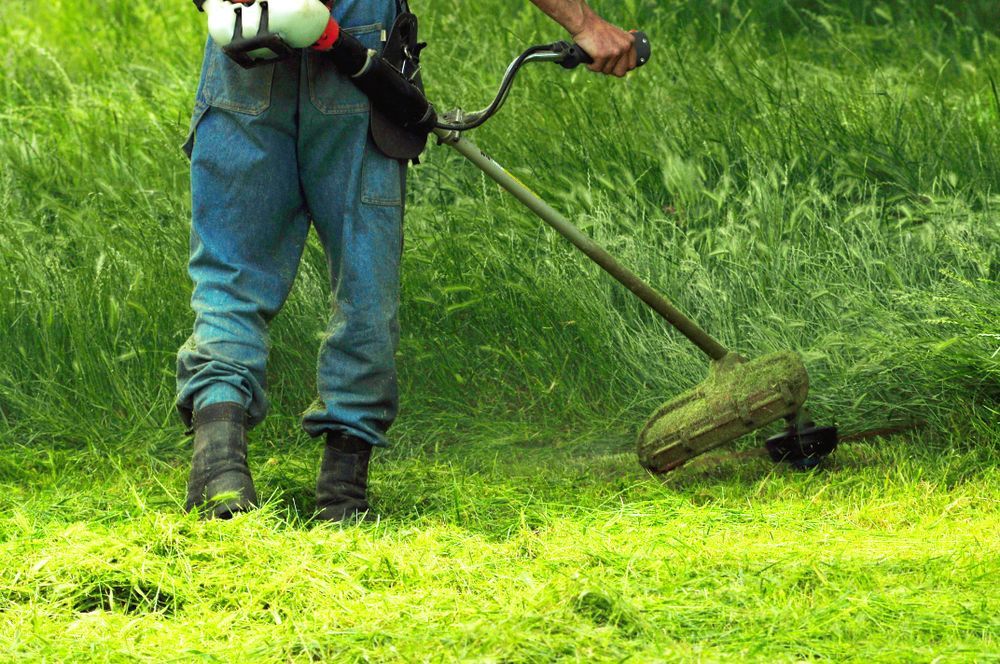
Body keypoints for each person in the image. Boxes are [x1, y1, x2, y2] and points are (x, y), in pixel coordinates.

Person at [179, 0, 641, 521]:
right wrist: (585, 25)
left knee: (232, 274)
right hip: (348, 37)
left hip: (247, 34)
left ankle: (221, 474)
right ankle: (341, 497)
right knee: (364, 280)